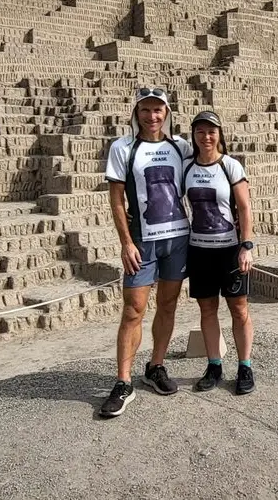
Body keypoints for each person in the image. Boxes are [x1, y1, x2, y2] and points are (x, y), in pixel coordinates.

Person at [100, 87, 193, 418]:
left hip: (177, 239)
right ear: (136, 112)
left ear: (166, 113)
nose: (152, 116)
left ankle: (156, 366)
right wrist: (125, 241)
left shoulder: (180, 147)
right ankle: (123, 382)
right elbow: (116, 199)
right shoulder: (123, 148)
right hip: (143, 240)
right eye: (145, 110)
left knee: (168, 304)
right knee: (133, 310)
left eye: (158, 110)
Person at [182, 110, 256, 395]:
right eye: (200, 131)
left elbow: (245, 207)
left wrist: (246, 245)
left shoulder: (231, 167)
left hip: (229, 250)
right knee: (207, 309)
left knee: (239, 309)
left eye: (211, 131)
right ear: (194, 136)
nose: (206, 137)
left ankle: (245, 366)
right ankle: (214, 365)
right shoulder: (187, 168)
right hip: (199, 250)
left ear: (219, 134)